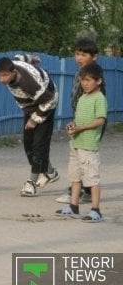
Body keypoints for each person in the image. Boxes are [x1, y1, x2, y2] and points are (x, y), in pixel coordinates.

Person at [0, 55, 59, 197]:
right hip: (31, 106)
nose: (2, 79)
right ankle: (50, 173)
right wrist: (32, 59)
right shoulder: (13, 63)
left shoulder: (27, 83)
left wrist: (35, 119)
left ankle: (31, 183)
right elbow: (20, 57)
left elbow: (50, 101)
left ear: (13, 72)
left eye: (5, 75)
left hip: (46, 103)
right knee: (28, 143)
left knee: (38, 145)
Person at [55, 37, 105, 204]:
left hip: (90, 123)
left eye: (83, 55)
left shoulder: (95, 75)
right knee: (78, 157)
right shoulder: (80, 73)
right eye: (77, 54)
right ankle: (84, 192)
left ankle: (79, 194)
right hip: (80, 120)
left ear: (94, 57)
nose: (79, 58)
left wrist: (83, 125)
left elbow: (97, 105)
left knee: (86, 158)